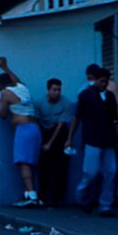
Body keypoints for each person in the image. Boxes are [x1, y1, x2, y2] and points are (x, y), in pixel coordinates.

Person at [66, 66, 118, 217]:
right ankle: (82, 197)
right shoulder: (86, 95)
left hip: (108, 140)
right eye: (102, 81)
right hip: (92, 139)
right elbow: (77, 117)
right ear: (95, 80)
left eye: (106, 81)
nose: (104, 84)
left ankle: (105, 205)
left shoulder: (110, 97)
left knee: (110, 172)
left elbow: (114, 117)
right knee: (91, 172)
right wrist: (70, 137)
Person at [0, 57, 42, 207]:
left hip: (23, 130)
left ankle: (31, 195)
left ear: (1, 85)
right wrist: (6, 68)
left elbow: (2, 114)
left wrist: (1, 102)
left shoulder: (5, 93)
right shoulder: (23, 87)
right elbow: (16, 78)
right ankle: (32, 193)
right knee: (32, 162)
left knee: (23, 163)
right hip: (35, 129)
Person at [34, 78, 75, 207]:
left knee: (61, 167)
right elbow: (37, 121)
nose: (57, 92)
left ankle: (58, 198)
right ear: (48, 90)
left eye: (59, 90)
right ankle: (44, 197)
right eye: (54, 90)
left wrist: (50, 143)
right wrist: (43, 141)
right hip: (45, 131)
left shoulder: (65, 102)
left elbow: (61, 125)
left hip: (59, 132)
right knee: (44, 167)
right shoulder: (40, 103)